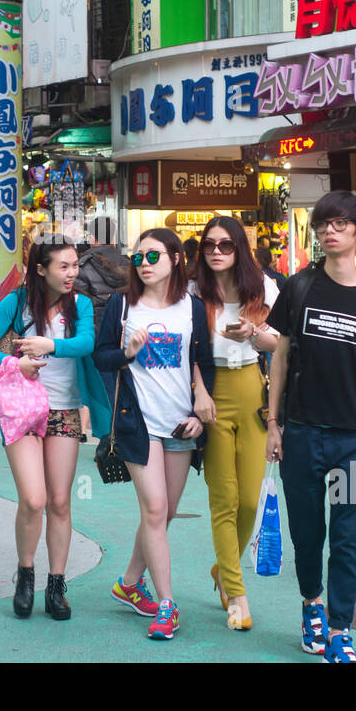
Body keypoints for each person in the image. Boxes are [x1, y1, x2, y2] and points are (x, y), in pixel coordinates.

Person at [264, 190, 356, 663]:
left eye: (339, 223)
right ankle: (311, 606)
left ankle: (340, 630)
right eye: (323, 224)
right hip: (301, 433)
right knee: (307, 534)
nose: (328, 231)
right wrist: (274, 423)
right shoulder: (298, 287)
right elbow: (280, 356)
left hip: (353, 440)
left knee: (347, 537)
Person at [0, 240, 108, 621]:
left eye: (74, 266)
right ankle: (26, 574)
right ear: (40, 269)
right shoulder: (17, 302)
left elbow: (87, 343)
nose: (71, 273)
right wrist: (16, 365)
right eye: (63, 266)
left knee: (60, 501)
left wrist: (50, 344)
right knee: (34, 499)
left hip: (64, 411)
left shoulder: (79, 304)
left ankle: (57, 583)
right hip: (23, 409)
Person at [94, 229, 215, 641]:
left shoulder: (193, 308)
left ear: (176, 258)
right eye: (138, 257)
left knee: (162, 515)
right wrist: (126, 352)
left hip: (181, 423)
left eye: (152, 255)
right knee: (155, 509)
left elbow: (202, 360)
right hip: (136, 422)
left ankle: (129, 583)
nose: (143, 264)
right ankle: (167, 605)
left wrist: (202, 406)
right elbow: (101, 356)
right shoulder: (121, 306)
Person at [194, 217, 279, 631]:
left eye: (226, 245)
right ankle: (236, 590)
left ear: (239, 249)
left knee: (249, 501)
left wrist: (253, 333)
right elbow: (187, 350)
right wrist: (199, 393)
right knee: (223, 499)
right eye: (209, 245)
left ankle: (222, 569)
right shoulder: (193, 293)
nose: (216, 252)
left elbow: (281, 345)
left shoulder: (265, 288)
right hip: (211, 393)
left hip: (253, 391)